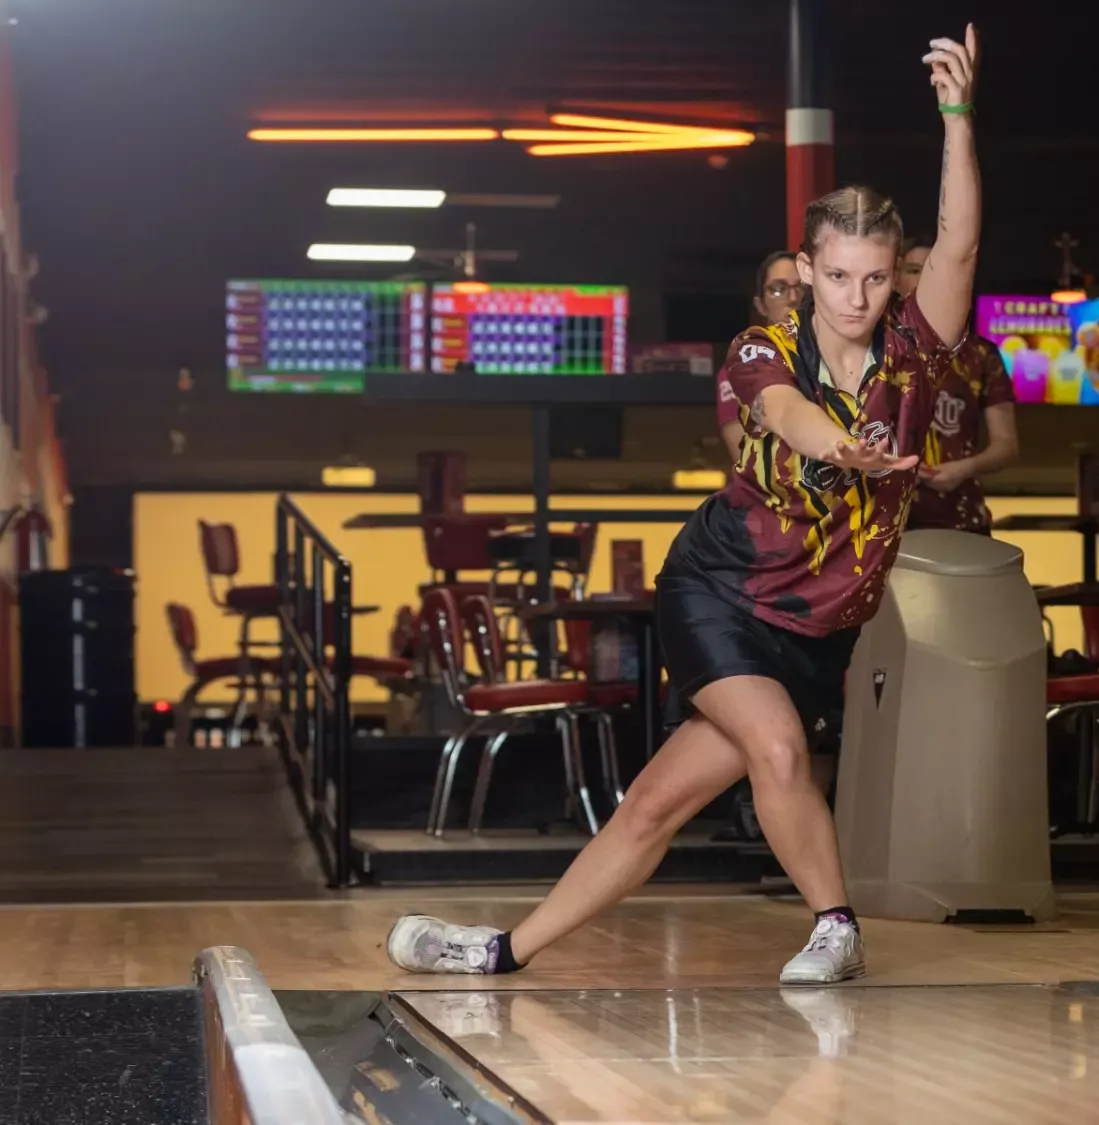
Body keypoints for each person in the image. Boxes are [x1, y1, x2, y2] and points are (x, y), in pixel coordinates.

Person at [387, 25, 983, 984]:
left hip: (822, 625)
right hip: (720, 591)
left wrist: (956, 117)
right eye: (837, 275)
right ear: (808, 266)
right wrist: (848, 448)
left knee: (654, 805)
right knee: (778, 743)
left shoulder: (919, 350)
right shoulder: (765, 347)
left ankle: (501, 950)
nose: (857, 296)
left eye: (876, 277)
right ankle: (837, 924)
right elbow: (787, 417)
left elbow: (961, 239)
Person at [895, 239, 1019, 532]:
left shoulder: (980, 356)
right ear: (895, 277)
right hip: (887, 527)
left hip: (962, 523)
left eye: (934, 269)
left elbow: (1007, 446)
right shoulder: (874, 348)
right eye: (914, 270)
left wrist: (964, 468)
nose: (924, 278)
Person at [719, 251, 804, 454]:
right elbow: (743, 456)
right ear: (761, 305)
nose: (793, 298)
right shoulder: (740, 367)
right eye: (778, 289)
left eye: (802, 287)